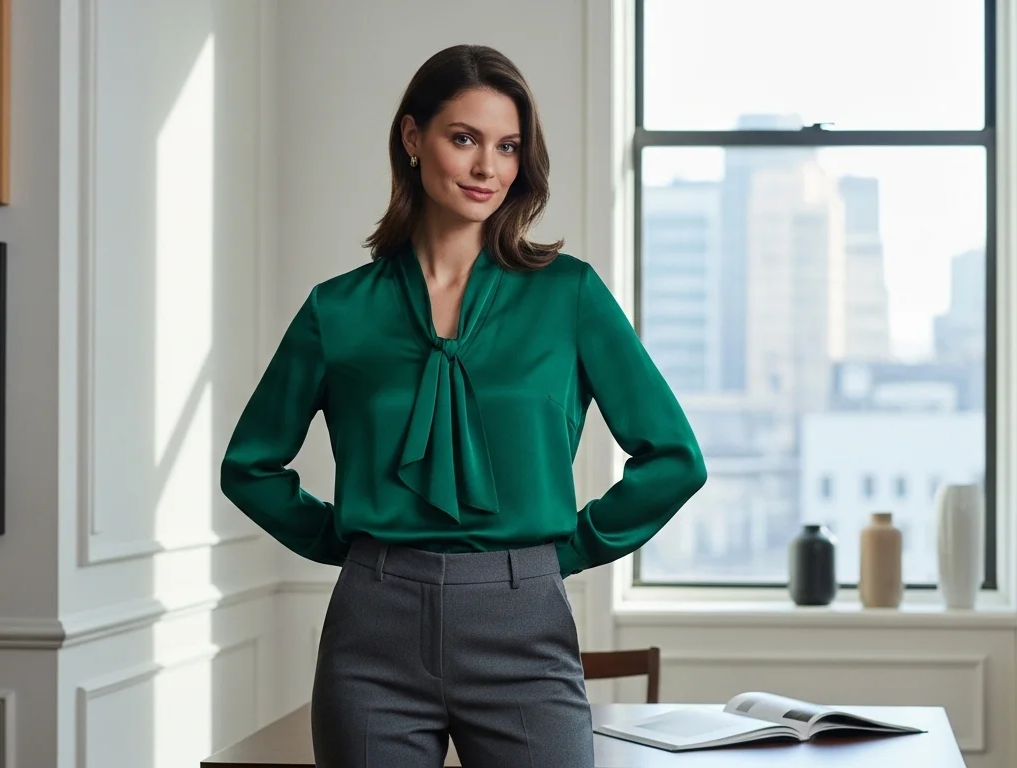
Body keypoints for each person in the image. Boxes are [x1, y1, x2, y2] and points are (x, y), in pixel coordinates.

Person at [220, 43, 707, 768]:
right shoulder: (338, 309)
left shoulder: (568, 295)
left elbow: (675, 459)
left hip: (524, 623)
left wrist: (566, 551)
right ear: (413, 139)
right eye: (464, 139)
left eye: (508, 147)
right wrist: (350, 545)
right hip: (371, 634)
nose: (488, 168)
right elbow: (249, 465)